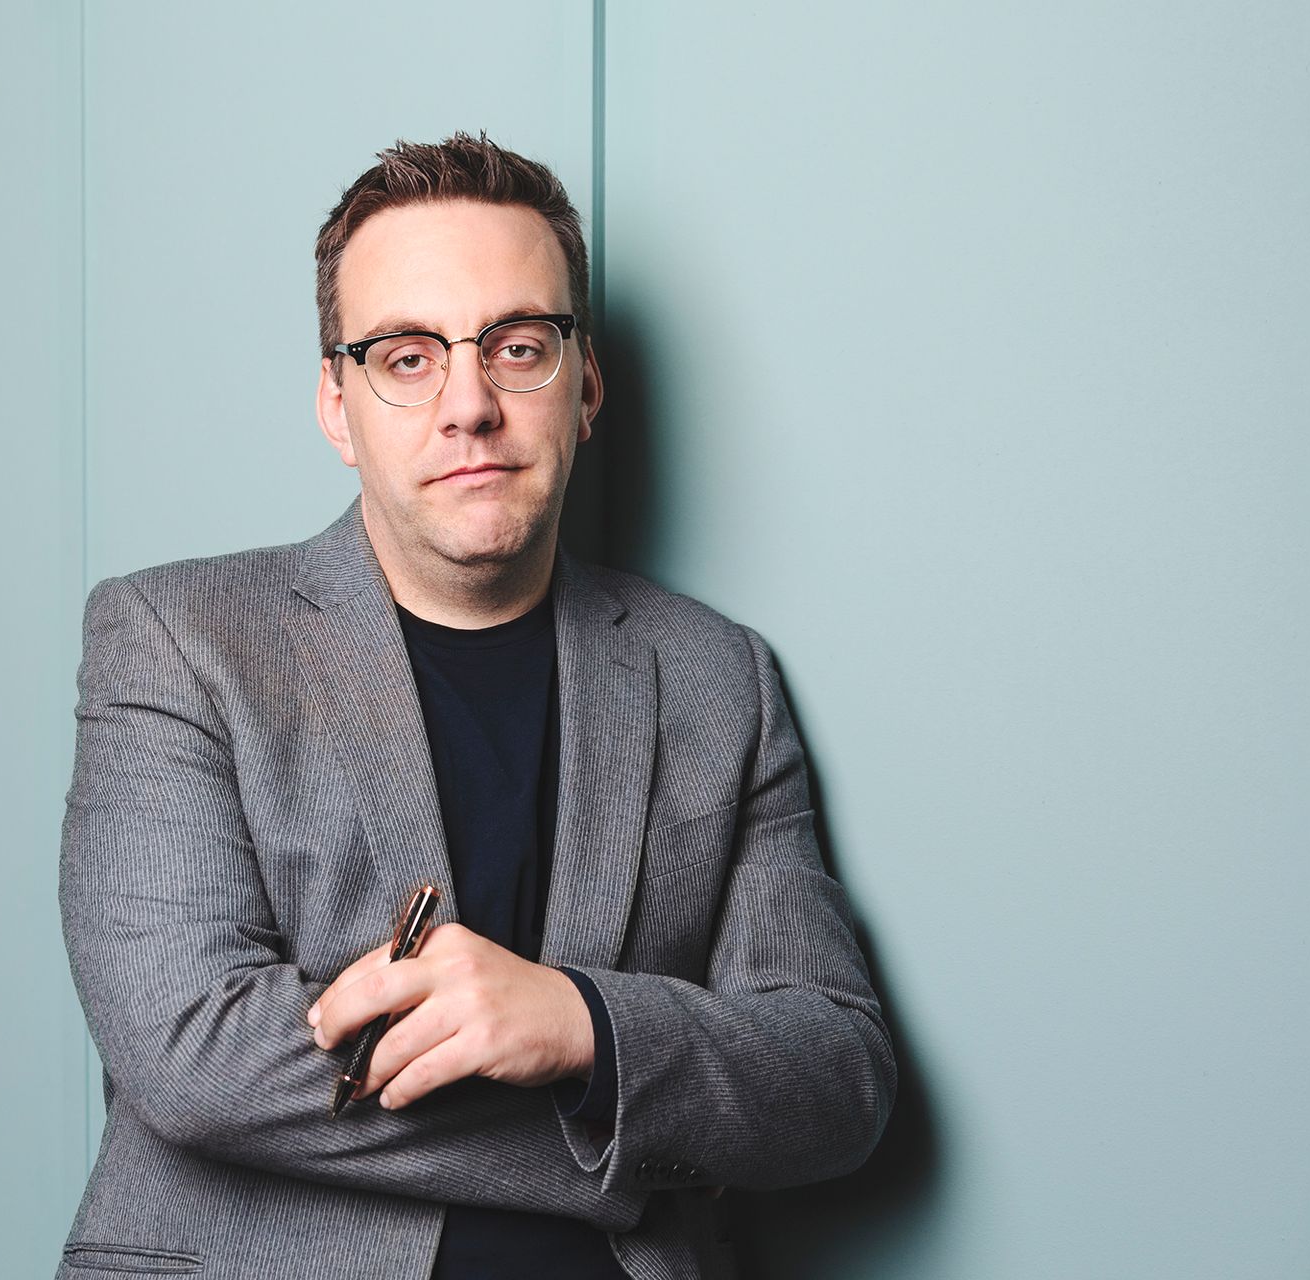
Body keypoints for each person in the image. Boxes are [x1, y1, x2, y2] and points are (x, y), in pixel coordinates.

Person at [55, 132, 895, 1280]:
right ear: (337, 403)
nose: (469, 405)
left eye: (517, 346)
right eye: (406, 356)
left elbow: (833, 1072)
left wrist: (580, 1022)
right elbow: (193, 1051)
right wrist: (612, 1127)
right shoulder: (178, 639)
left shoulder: (718, 678)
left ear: (584, 385)